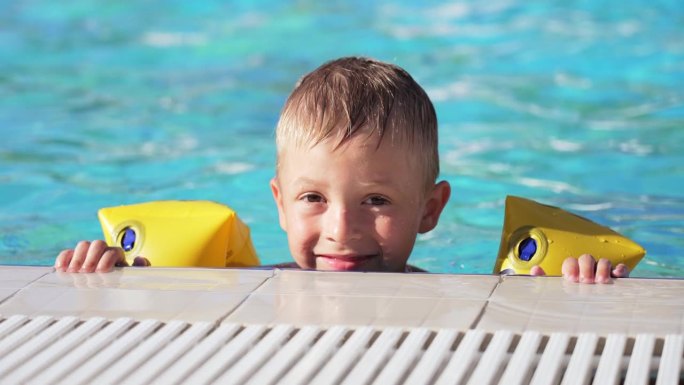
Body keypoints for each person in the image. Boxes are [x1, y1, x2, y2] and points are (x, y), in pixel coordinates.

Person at [54, 57, 628, 283]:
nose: (341, 231)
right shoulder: (253, 288)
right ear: (278, 202)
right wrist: (111, 276)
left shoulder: (449, 297)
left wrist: (579, 285)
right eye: (313, 199)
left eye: (376, 201)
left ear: (430, 210)